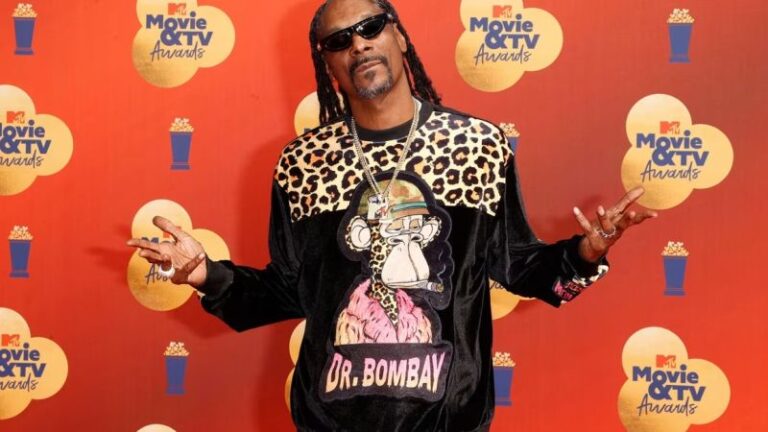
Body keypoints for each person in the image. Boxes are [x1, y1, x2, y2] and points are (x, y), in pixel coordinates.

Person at [127, 0, 657, 430]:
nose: (358, 44)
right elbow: (289, 289)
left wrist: (586, 252)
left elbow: (517, 266)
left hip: (448, 420)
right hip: (331, 420)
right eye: (339, 41)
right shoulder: (303, 164)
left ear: (399, 37)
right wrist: (205, 273)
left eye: (370, 27)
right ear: (329, 65)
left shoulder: (476, 146)